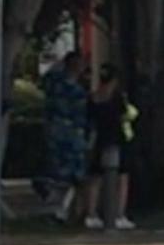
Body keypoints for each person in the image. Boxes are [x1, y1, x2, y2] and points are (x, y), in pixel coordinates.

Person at [37, 52, 91, 222]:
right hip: (63, 133)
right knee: (62, 173)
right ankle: (56, 209)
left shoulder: (79, 85)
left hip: (75, 133)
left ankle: (68, 211)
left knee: (77, 175)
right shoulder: (59, 84)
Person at [81, 67, 135, 231]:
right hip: (117, 140)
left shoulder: (93, 97)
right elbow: (125, 115)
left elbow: (89, 118)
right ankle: (118, 214)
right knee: (122, 178)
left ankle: (91, 215)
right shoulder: (117, 98)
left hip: (99, 139)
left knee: (95, 178)